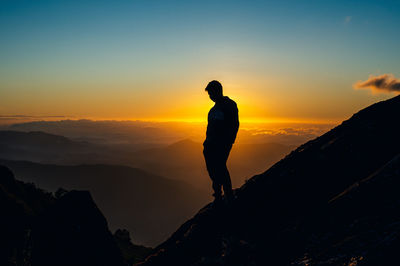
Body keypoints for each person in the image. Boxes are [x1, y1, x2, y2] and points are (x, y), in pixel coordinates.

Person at [203, 80, 239, 204]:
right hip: (210, 144)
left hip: (222, 144)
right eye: (209, 95)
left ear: (218, 91)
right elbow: (210, 128)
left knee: (220, 167)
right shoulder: (213, 110)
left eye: (211, 93)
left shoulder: (230, 105)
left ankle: (228, 195)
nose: (210, 97)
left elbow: (234, 125)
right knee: (213, 169)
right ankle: (218, 194)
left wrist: (228, 142)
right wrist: (207, 142)